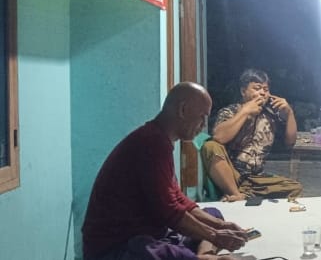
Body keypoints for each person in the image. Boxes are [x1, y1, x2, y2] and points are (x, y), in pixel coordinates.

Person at [82, 82, 248, 260]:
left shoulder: (161, 140)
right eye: (202, 117)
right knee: (149, 250)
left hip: (155, 232)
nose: (203, 125)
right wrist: (214, 236)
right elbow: (170, 213)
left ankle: (203, 254)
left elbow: (177, 198)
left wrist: (220, 227)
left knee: (212, 214)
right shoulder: (150, 142)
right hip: (116, 247)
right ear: (183, 110)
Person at [200, 68, 302, 201]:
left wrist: (289, 113)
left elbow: (290, 142)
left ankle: (246, 194)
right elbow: (219, 137)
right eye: (257, 88)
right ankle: (236, 194)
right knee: (210, 146)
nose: (262, 93)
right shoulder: (231, 111)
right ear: (243, 91)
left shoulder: (271, 116)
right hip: (232, 174)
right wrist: (245, 111)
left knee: (294, 188)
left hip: (256, 179)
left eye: (266, 89)